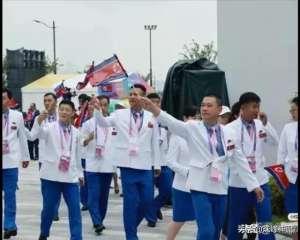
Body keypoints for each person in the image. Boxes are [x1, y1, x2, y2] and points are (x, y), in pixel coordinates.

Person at [138, 93, 264, 240]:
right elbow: (172, 122)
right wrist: (153, 109)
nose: (204, 108)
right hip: (200, 187)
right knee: (206, 231)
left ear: (219, 110)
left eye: (209, 105)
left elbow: (240, 160)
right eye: (203, 105)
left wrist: (254, 184)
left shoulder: (229, 132)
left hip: (221, 188)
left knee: (215, 231)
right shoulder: (193, 128)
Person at [93, 84, 161, 240]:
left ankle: (131, 227)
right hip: (127, 165)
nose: (132, 96)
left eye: (136, 94)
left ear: (143, 98)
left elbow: (155, 142)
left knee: (147, 201)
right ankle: (131, 236)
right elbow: (103, 123)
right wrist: (97, 110)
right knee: (130, 203)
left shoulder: (152, 117)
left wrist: (156, 165)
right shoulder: (119, 114)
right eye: (130, 94)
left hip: (145, 165)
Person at [226, 92, 279, 240]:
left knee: (265, 221)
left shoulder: (260, 124)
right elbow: (235, 159)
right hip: (239, 184)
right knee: (237, 223)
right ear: (243, 108)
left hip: (261, 180)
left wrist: (266, 124)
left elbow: (275, 142)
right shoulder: (230, 129)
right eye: (254, 107)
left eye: (258, 106)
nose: (257, 110)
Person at [31, 100, 84, 240]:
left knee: (75, 210)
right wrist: (38, 120)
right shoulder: (49, 127)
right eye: (61, 109)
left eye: (67, 110)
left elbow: (78, 156)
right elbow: (34, 135)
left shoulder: (77, 133)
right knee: (48, 209)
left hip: (70, 178)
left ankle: (76, 237)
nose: (64, 112)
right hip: (51, 177)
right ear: (58, 111)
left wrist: (80, 174)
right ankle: (44, 233)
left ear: (73, 113)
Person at [81, 95, 115, 235]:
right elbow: (80, 143)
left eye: (105, 104)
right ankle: (96, 222)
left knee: (104, 197)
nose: (102, 107)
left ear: (108, 106)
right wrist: (88, 139)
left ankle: (100, 219)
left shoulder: (113, 123)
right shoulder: (88, 124)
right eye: (99, 104)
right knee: (93, 195)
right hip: (92, 164)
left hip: (107, 164)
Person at [166, 106, 198, 240]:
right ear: (184, 118)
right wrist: (187, 172)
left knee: (205, 220)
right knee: (179, 219)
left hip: (202, 186)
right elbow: (170, 161)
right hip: (182, 186)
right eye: (192, 117)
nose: (194, 121)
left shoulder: (203, 133)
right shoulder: (177, 135)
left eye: (197, 118)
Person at [2, 88, 30, 239]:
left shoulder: (17, 116)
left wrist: (25, 157)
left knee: (10, 195)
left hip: (10, 163)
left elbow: (22, 137)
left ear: (9, 100)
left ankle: (10, 225)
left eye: (4, 98)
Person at [28, 93, 61, 221]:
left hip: (59, 157)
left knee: (57, 184)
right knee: (46, 187)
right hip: (44, 158)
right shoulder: (39, 117)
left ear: (56, 102)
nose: (47, 103)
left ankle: (54, 210)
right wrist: (39, 121)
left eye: (50, 100)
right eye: (45, 101)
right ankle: (49, 209)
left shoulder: (61, 116)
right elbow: (32, 136)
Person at [146, 93, 173, 227]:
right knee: (147, 193)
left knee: (167, 191)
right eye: (152, 102)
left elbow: (171, 136)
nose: (155, 105)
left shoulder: (165, 118)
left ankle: (154, 207)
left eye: (157, 102)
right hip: (148, 163)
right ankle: (151, 218)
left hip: (164, 161)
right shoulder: (145, 119)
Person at [277, 96, 298, 240]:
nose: (291, 112)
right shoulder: (288, 128)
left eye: (294, 109)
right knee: (293, 209)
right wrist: (280, 176)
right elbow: (281, 152)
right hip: (292, 177)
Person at [75, 93, 90, 211]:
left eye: (82, 102)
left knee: (90, 180)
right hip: (82, 153)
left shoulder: (91, 117)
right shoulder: (80, 116)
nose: (81, 105)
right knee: (83, 178)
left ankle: (88, 200)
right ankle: (85, 201)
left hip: (92, 154)